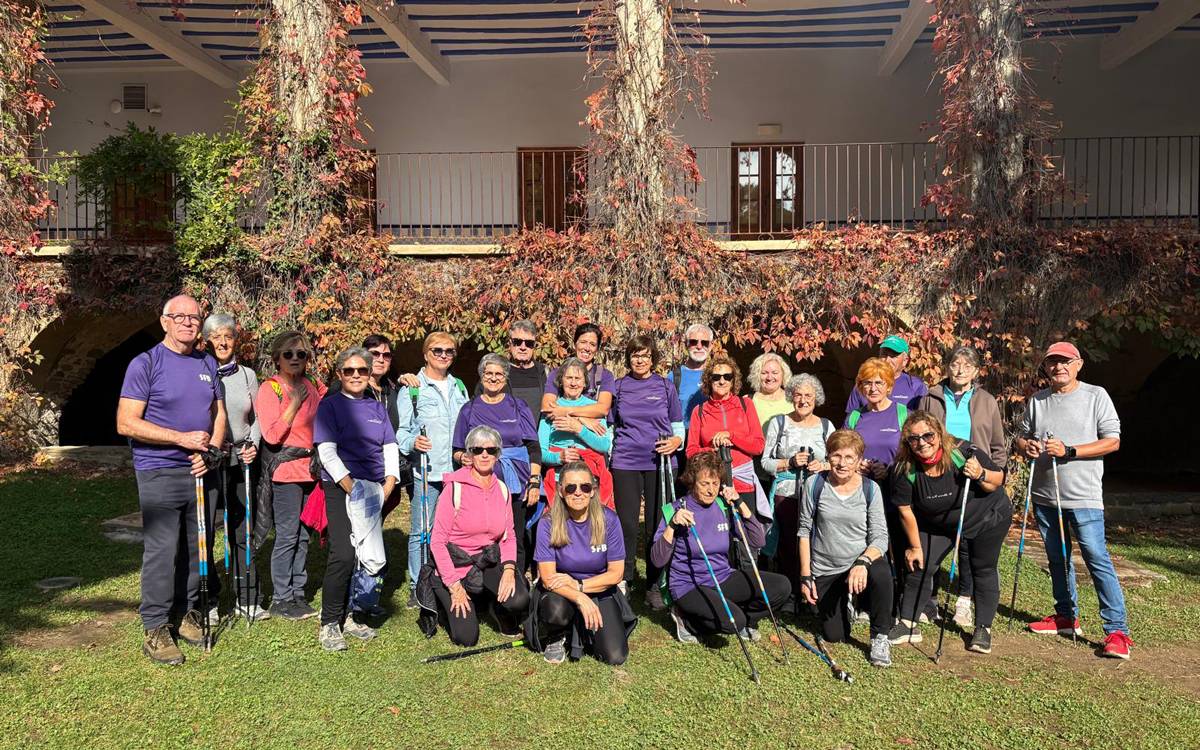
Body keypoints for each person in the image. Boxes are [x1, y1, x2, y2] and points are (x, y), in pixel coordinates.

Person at [117, 294, 226, 666]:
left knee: (200, 545)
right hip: (159, 468)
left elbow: (219, 412)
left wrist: (210, 450)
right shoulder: (145, 364)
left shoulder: (207, 363)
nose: (187, 323)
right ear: (164, 322)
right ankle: (155, 625)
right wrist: (181, 440)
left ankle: (187, 613)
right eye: (178, 317)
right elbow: (126, 422)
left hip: (200, 469)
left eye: (193, 317)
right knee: (163, 549)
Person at [1016, 341, 1132, 660]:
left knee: (1096, 558)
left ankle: (1117, 631)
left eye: (1066, 361)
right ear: (1046, 367)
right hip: (1045, 495)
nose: (1059, 367)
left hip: (1084, 496)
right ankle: (1066, 616)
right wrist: (1026, 446)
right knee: (1057, 557)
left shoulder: (1096, 396)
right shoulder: (1038, 401)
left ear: (1079, 364)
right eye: (1053, 362)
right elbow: (1022, 435)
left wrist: (1070, 451)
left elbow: (1112, 441)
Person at [887, 411, 1011, 655]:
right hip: (937, 523)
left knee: (982, 567)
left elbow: (998, 480)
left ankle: (982, 628)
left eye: (928, 435)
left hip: (985, 516)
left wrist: (980, 474)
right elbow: (905, 511)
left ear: (939, 434)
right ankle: (909, 622)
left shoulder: (963, 452)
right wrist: (914, 546)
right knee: (920, 563)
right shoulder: (904, 469)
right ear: (907, 443)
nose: (922, 443)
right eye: (914, 439)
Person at [651, 451, 791, 644]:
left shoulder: (723, 506)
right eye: (704, 484)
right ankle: (687, 620)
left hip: (722, 577)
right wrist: (672, 526)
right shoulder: (675, 510)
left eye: (715, 483)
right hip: (689, 585)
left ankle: (742, 622)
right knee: (733, 620)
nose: (711, 490)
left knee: (782, 586)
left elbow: (758, 541)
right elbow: (657, 559)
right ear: (692, 482)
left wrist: (740, 502)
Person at [313, 347, 401, 652]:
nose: (355, 376)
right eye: (348, 371)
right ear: (340, 375)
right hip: (342, 487)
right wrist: (351, 486)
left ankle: (353, 615)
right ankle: (329, 623)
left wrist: (389, 483)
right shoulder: (331, 406)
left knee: (368, 555)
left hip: (375, 487)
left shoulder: (377, 407)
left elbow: (390, 446)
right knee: (344, 553)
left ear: (368, 373)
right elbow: (326, 452)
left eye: (361, 371)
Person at [918, 344, 1007, 628]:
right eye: (955, 364)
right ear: (947, 366)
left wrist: (993, 473)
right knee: (935, 533)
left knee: (969, 541)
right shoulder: (930, 396)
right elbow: (917, 430)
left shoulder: (986, 401)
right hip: (938, 469)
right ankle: (928, 599)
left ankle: (964, 601)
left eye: (967, 366)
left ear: (976, 371)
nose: (960, 370)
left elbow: (997, 445)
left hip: (974, 471)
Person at [428, 425, 531, 646]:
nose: (484, 455)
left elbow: (509, 536)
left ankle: (495, 607)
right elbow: (437, 542)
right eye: (478, 450)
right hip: (455, 566)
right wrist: (454, 586)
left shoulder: (502, 489)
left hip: (487, 561)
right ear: (469, 454)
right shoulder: (454, 488)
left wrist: (510, 570)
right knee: (466, 638)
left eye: (491, 450)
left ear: (498, 455)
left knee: (519, 599)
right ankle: (445, 603)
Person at [797, 429, 892, 667]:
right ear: (828, 456)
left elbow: (880, 537)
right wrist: (806, 576)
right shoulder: (814, 484)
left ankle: (880, 636)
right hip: (826, 567)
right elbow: (804, 531)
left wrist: (862, 562)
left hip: (859, 563)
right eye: (836, 456)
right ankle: (847, 605)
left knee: (882, 574)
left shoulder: (871, 489)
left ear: (860, 461)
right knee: (835, 635)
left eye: (849, 457)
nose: (842, 463)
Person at [529, 462, 634, 665]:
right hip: (559, 592)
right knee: (556, 610)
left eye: (585, 487)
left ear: (593, 491)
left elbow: (616, 573)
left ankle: (581, 628)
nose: (578, 493)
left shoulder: (609, 520)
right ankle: (557, 634)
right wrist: (579, 597)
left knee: (615, 656)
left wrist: (580, 586)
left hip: (597, 588)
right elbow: (548, 578)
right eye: (570, 488)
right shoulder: (548, 522)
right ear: (561, 491)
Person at [254, 330, 326, 621]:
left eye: (301, 354)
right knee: (287, 534)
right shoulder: (271, 389)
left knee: (304, 535)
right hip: (286, 471)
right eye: (289, 354)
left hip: (311, 469)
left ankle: (298, 592)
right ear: (276, 359)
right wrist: (294, 404)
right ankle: (282, 598)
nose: (295, 359)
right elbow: (271, 435)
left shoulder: (312, 384)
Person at [608, 336, 684, 609]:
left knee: (656, 525)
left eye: (645, 355)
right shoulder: (618, 387)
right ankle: (625, 579)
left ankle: (654, 582)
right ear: (628, 358)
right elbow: (609, 425)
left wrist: (677, 442)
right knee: (627, 524)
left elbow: (678, 425)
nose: (640, 360)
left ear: (653, 359)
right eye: (635, 355)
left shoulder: (665, 386)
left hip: (661, 464)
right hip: (626, 462)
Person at [395, 332, 469, 609]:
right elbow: (400, 434)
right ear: (426, 354)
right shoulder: (413, 388)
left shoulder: (459, 386)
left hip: (455, 470)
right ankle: (417, 585)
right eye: (437, 350)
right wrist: (413, 441)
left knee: (448, 531)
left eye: (449, 351)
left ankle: (443, 577)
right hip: (426, 472)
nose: (443, 355)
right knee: (421, 530)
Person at [202, 313, 265, 622]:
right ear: (207, 342)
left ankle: (248, 594)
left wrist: (251, 444)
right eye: (216, 337)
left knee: (242, 527)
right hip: (210, 460)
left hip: (241, 459)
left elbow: (256, 418)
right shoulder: (199, 373)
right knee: (206, 531)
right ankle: (210, 599)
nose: (223, 342)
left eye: (227, 336)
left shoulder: (247, 376)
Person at [454, 354, 542, 575]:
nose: (493, 378)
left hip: (517, 483)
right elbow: (456, 450)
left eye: (499, 374)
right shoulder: (469, 409)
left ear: (506, 377)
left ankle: (516, 585)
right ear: (481, 376)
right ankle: (483, 582)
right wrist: (462, 457)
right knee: (484, 535)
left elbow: (533, 447)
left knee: (516, 535)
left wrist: (534, 482)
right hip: (481, 485)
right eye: (488, 373)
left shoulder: (518, 406)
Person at [761, 374, 835, 594]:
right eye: (798, 395)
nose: (803, 400)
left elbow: (835, 460)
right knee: (787, 543)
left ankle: (813, 590)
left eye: (808, 396)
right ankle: (788, 592)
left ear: (816, 398)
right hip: (786, 493)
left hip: (817, 493)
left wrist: (822, 466)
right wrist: (789, 462)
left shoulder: (826, 425)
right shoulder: (779, 422)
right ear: (791, 397)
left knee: (815, 541)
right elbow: (765, 462)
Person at [685, 352, 767, 526]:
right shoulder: (699, 411)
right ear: (709, 380)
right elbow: (691, 451)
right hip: (712, 485)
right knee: (718, 537)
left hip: (743, 483)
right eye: (716, 377)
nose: (722, 381)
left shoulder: (746, 405)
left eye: (727, 377)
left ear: (733, 380)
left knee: (746, 535)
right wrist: (711, 450)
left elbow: (758, 446)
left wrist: (732, 437)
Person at [538, 357, 613, 508]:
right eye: (569, 378)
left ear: (585, 382)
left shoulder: (593, 408)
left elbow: (604, 445)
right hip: (560, 480)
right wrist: (559, 457)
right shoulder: (552, 408)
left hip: (589, 480)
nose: (573, 383)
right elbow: (540, 451)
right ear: (561, 381)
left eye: (578, 378)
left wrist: (578, 429)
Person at [474, 319, 547, 423]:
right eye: (517, 342)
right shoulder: (496, 373)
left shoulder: (544, 373)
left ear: (534, 345)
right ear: (510, 343)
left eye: (529, 343)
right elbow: (478, 407)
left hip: (536, 438)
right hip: (503, 437)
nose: (523, 347)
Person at [541, 322, 616, 421]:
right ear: (575, 344)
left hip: (593, 434)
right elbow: (547, 407)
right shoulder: (557, 373)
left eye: (592, 344)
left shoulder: (604, 376)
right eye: (583, 342)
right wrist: (584, 420)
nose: (587, 348)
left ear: (597, 349)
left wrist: (564, 411)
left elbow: (603, 409)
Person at [846, 334, 928, 413]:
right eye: (884, 355)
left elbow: (923, 421)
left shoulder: (915, 386)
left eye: (893, 356)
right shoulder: (864, 384)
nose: (887, 360)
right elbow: (851, 420)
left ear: (905, 360)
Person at [667, 323, 714, 428]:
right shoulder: (674, 377)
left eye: (704, 343)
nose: (699, 346)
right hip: (683, 439)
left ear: (711, 346)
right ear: (686, 345)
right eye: (693, 342)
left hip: (711, 440)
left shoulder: (719, 376)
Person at [747, 352, 794, 426]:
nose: (769, 377)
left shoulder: (794, 400)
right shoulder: (747, 401)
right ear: (757, 375)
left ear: (783, 374)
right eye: (764, 373)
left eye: (775, 373)